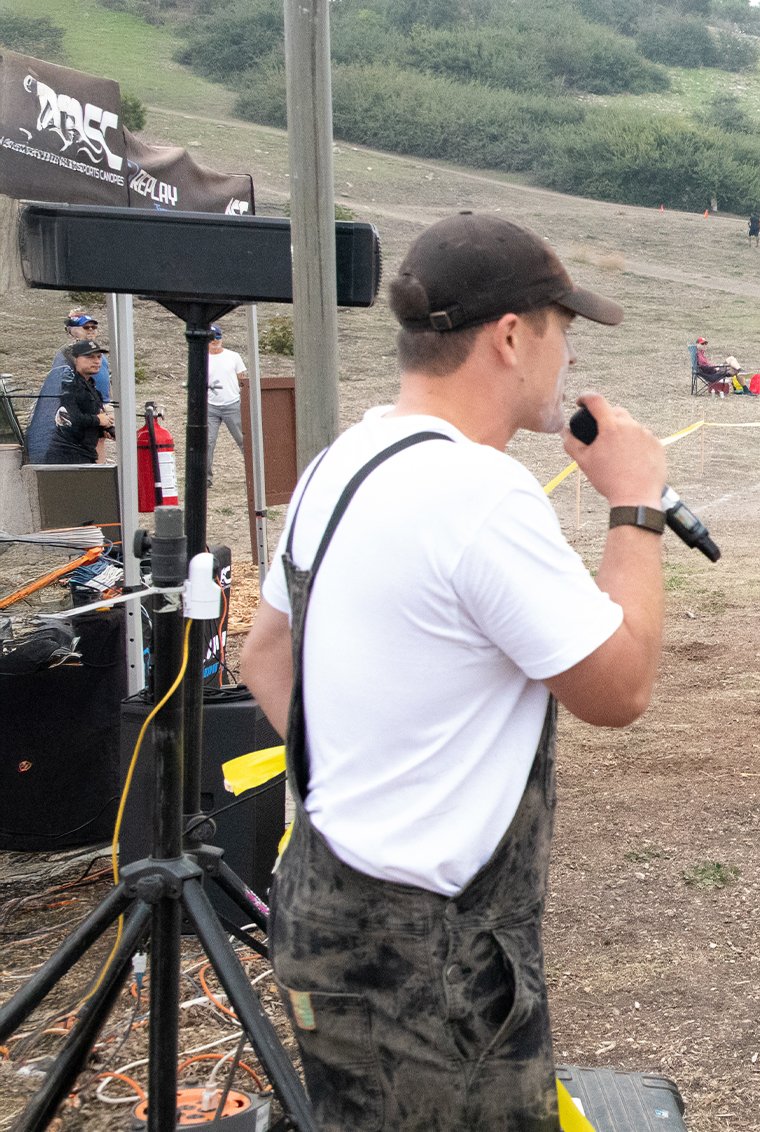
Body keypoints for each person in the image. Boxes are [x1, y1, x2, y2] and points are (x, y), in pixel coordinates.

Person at [238, 211, 667, 1131]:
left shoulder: (340, 462)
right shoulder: (479, 492)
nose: (568, 362)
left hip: (322, 910)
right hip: (434, 963)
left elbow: (265, 654)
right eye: (564, 333)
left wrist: (364, 786)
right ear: (514, 336)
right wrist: (634, 506)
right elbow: (618, 688)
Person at [30, 340, 114, 464]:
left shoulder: (91, 387)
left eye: (99, 357)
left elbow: (85, 420)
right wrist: (98, 420)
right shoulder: (68, 385)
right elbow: (70, 418)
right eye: (90, 357)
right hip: (66, 455)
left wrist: (103, 429)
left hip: (85, 454)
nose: (96, 361)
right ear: (75, 359)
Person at [203, 325, 248, 481]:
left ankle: (255, 474)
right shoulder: (202, 357)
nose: (215, 341)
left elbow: (242, 379)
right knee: (208, 442)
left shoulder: (233, 356)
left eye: (218, 337)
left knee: (243, 440)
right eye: (212, 338)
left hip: (232, 404)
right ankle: (205, 478)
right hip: (210, 406)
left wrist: (243, 397)